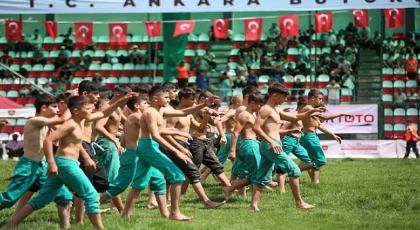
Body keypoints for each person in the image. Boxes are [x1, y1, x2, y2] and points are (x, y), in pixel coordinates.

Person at [123, 86, 218, 221]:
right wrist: (177, 151)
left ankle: (125, 214)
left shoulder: (160, 110)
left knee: (139, 183)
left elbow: (183, 112)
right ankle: (174, 213)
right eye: (166, 97)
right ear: (155, 98)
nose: (169, 100)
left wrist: (204, 104)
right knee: (177, 176)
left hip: (148, 147)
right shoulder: (150, 112)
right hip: (148, 147)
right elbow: (156, 135)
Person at [1, 94, 74, 229]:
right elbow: (63, 119)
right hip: (29, 166)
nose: (57, 109)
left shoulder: (47, 122)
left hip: (42, 166)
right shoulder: (35, 120)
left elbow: (63, 127)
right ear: (44, 108)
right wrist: (71, 103)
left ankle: (66, 227)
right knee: (9, 199)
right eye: (54, 106)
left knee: (64, 198)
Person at [251, 83, 317, 210]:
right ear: (274, 95)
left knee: (261, 178)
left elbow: (295, 117)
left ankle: (253, 205)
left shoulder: (276, 109)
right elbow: (256, 128)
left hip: (271, 145)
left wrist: (312, 111)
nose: (285, 99)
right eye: (283, 97)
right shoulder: (266, 109)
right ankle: (299, 203)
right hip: (271, 146)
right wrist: (271, 142)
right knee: (295, 170)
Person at [164, 87, 225, 208]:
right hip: (176, 145)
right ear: (183, 99)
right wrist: (179, 148)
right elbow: (166, 133)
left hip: (184, 145)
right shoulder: (175, 115)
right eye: (191, 100)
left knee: (175, 173)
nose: (194, 102)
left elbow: (200, 129)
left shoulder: (189, 115)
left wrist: (206, 118)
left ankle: (166, 200)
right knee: (192, 172)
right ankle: (206, 202)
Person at [99, 95, 150, 212]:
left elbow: (126, 136)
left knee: (150, 182)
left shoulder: (134, 117)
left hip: (140, 154)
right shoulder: (136, 116)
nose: (149, 106)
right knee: (120, 185)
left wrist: (121, 144)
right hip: (132, 155)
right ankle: (92, 206)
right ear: (137, 106)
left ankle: (126, 213)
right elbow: (153, 126)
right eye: (146, 104)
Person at [300, 89, 351, 184]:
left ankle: (314, 182)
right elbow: (324, 117)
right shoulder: (308, 108)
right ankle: (294, 171)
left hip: (311, 136)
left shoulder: (311, 109)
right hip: (309, 137)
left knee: (311, 161)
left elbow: (319, 125)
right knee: (320, 160)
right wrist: (341, 114)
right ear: (312, 98)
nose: (321, 101)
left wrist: (333, 135)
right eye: (320, 99)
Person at [222, 93, 266, 202]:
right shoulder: (244, 115)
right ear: (252, 103)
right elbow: (235, 132)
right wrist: (232, 150)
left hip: (251, 144)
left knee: (249, 174)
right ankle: (230, 188)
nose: (261, 108)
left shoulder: (252, 115)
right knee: (256, 175)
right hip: (248, 144)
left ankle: (230, 187)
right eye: (260, 105)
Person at [201, 95, 243, 182]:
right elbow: (220, 120)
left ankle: (202, 177)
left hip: (229, 136)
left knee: (218, 160)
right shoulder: (232, 111)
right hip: (231, 136)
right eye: (243, 102)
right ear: (238, 102)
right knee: (240, 158)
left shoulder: (235, 111)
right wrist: (222, 134)